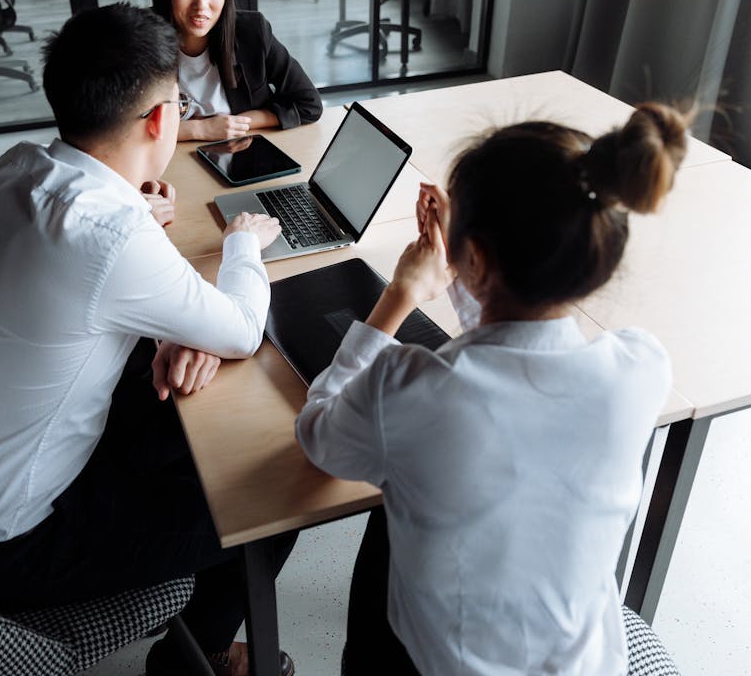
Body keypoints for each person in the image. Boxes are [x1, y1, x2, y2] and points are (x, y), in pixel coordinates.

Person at [0, 3, 297, 676]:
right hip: (17, 539)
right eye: (179, 102)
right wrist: (242, 244)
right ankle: (195, 663)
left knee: (213, 435)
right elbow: (242, 329)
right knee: (271, 498)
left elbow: (89, 288)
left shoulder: (18, 167)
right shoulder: (109, 236)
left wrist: (176, 325)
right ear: (161, 119)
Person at [295, 104, 690, 674]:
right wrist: (471, 267)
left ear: (475, 253)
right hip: (586, 662)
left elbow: (319, 436)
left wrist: (400, 296)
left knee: (392, 502)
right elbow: (519, 356)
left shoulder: (408, 388)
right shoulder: (640, 369)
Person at [151, 0, 322, 143]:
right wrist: (198, 130)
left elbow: (309, 104)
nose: (201, 5)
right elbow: (118, 130)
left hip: (239, 154)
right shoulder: (141, 40)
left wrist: (242, 122)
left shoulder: (251, 31)